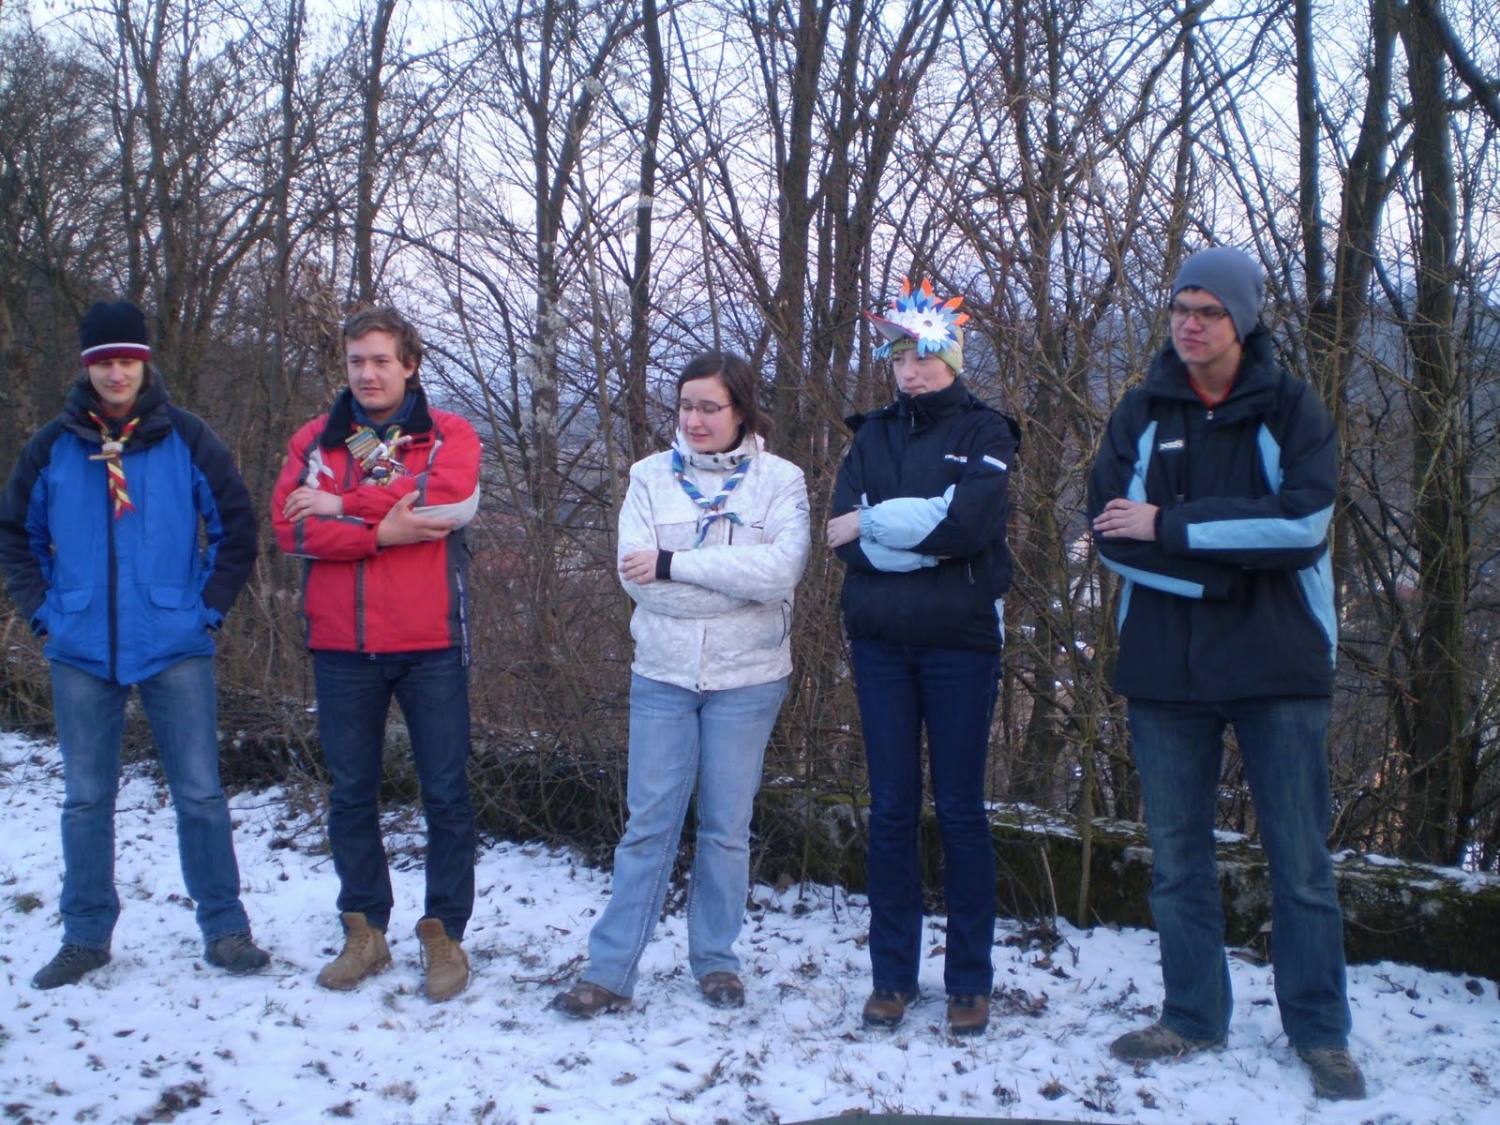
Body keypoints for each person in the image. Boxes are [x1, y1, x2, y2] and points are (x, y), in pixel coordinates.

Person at [1088, 247, 1364, 1100]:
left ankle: (1321, 1033)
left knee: (1302, 865)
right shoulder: (1143, 408)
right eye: (1181, 306)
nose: (1190, 322)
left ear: (1240, 319)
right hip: (1166, 672)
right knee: (1176, 858)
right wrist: (1226, 556)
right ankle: (1194, 1014)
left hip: (1279, 665)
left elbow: (1304, 525)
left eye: (1208, 309)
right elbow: (1106, 531)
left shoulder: (1287, 405)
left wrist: (1171, 526)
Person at [0, 300, 269, 988]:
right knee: (86, 798)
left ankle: (226, 928)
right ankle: (86, 934)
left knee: (201, 792)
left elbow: (235, 527)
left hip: (173, 640)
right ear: (86, 367)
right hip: (80, 645)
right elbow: (15, 537)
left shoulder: (186, 437)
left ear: (144, 361)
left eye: (127, 359)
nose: (116, 372)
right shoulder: (54, 445)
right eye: (103, 361)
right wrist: (46, 614)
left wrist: (203, 610)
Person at [551, 350, 810, 1018]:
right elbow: (635, 579)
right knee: (648, 825)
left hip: (748, 677)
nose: (694, 419)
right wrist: (723, 578)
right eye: (686, 405)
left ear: (741, 410)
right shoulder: (648, 478)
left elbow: (780, 574)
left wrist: (674, 564)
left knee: (727, 827)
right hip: (663, 672)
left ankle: (717, 960)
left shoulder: (781, 481)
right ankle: (609, 970)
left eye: (710, 406)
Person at [827, 278, 1020, 1036]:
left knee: (963, 813)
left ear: (953, 355)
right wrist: (910, 534)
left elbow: (971, 526)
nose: (912, 370)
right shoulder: (869, 436)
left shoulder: (987, 432)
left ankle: (970, 979)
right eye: (901, 356)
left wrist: (881, 528)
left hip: (961, 644)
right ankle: (892, 977)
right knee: (893, 811)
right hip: (880, 643)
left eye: (927, 355)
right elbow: (845, 533)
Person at [272, 306, 481, 1002]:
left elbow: (440, 501)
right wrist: (378, 533)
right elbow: (288, 526)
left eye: (381, 360)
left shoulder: (448, 433)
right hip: (342, 644)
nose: (368, 372)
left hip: (431, 643)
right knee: (352, 792)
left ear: (410, 363)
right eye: (357, 360)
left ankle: (444, 933)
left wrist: (337, 506)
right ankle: (366, 929)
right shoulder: (316, 439)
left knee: (446, 792)